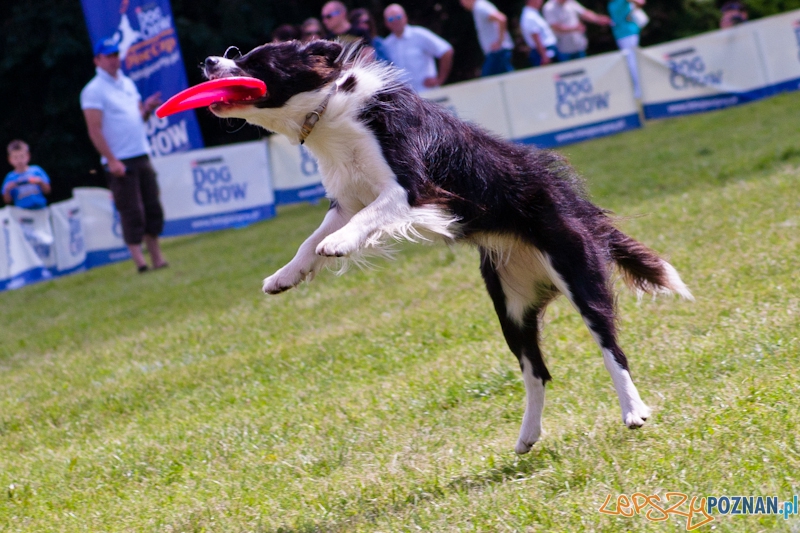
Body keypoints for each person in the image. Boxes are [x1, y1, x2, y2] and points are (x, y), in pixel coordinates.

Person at [80, 35, 168, 274]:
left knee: (151, 207)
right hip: (119, 159)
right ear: (97, 60)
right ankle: (140, 262)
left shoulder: (127, 83)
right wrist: (111, 160)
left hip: (141, 152)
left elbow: (137, 118)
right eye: (108, 56)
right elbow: (94, 130)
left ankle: (157, 257)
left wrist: (147, 109)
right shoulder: (92, 91)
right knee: (132, 211)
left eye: (115, 55)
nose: (113, 60)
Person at [382, 3, 454, 92]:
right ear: (386, 23)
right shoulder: (386, 44)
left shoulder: (419, 34)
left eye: (398, 17)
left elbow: (446, 50)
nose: (395, 21)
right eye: (391, 19)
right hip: (406, 100)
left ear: (405, 17)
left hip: (428, 94)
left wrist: (440, 79)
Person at [459, 0, 515, 77]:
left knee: (487, 80)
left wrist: (500, 42)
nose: (461, 3)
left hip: (498, 52)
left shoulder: (480, 7)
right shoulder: (478, 7)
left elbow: (501, 19)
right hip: (497, 52)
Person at [543, 0, 611, 62]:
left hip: (578, 46)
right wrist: (574, 29)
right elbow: (555, 27)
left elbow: (584, 13)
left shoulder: (571, 2)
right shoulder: (549, 7)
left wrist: (597, 19)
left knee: (583, 71)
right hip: (563, 49)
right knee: (568, 74)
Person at [608, 0, 645, 98]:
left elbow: (640, 3)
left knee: (631, 60)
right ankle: (637, 88)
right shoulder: (612, 3)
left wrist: (632, 12)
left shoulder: (616, 2)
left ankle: (638, 89)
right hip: (622, 34)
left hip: (627, 33)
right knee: (630, 61)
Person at [2, 140, 51, 209]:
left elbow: (47, 191)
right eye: (15, 157)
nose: (19, 160)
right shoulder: (10, 177)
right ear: (10, 159)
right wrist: (7, 189)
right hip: (21, 212)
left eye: (22, 156)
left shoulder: (36, 170)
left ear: (28, 156)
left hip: (41, 208)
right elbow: (7, 201)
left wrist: (40, 182)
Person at [520, 0, 558, 67]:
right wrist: (544, 55)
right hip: (542, 51)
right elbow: (535, 36)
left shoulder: (534, 13)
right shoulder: (529, 16)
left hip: (546, 49)